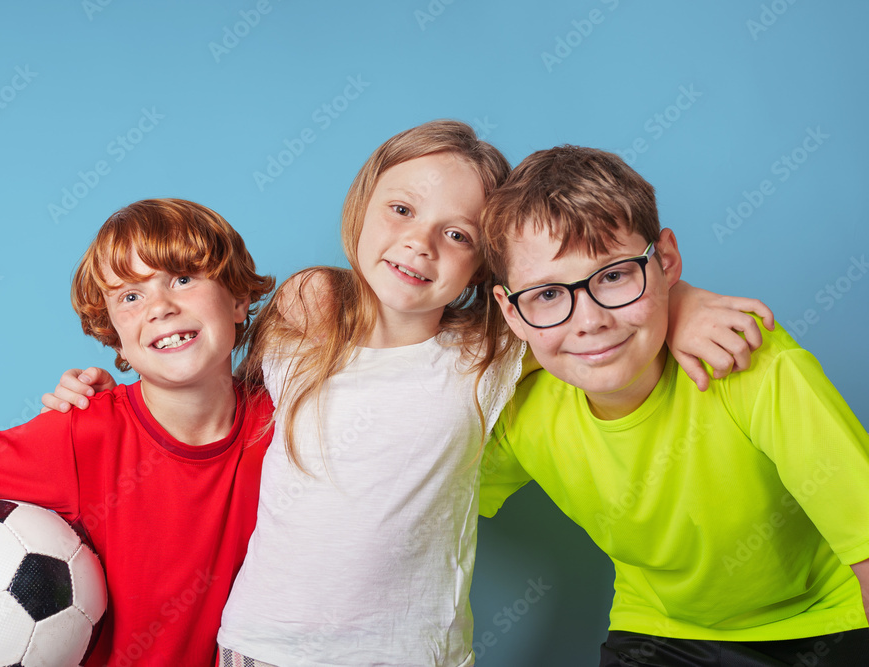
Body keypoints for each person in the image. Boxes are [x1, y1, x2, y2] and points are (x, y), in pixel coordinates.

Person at [43, 121, 774, 667]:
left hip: (409, 652)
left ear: (484, 264)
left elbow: (588, 307)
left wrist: (685, 302)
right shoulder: (306, 306)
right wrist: (111, 390)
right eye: (400, 211)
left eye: (456, 234)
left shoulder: (492, 345)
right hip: (263, 642)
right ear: (363, 205)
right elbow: (211, 396)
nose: (420, 243)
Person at [480, 145, 869, 666]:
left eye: (614, 276)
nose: (590, 320)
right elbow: (422, 501)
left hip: (820, 622)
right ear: (511, 310)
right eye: (548, 294)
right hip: (659, 630)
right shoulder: (521, 406)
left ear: (665, 261)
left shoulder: (750, 363)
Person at [0, 199, 276, 667]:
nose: (161, 307)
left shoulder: (286, 423)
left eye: (183, 279)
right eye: (130, 296)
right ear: (113, 334)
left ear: (239, 299)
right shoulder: (85, 434)